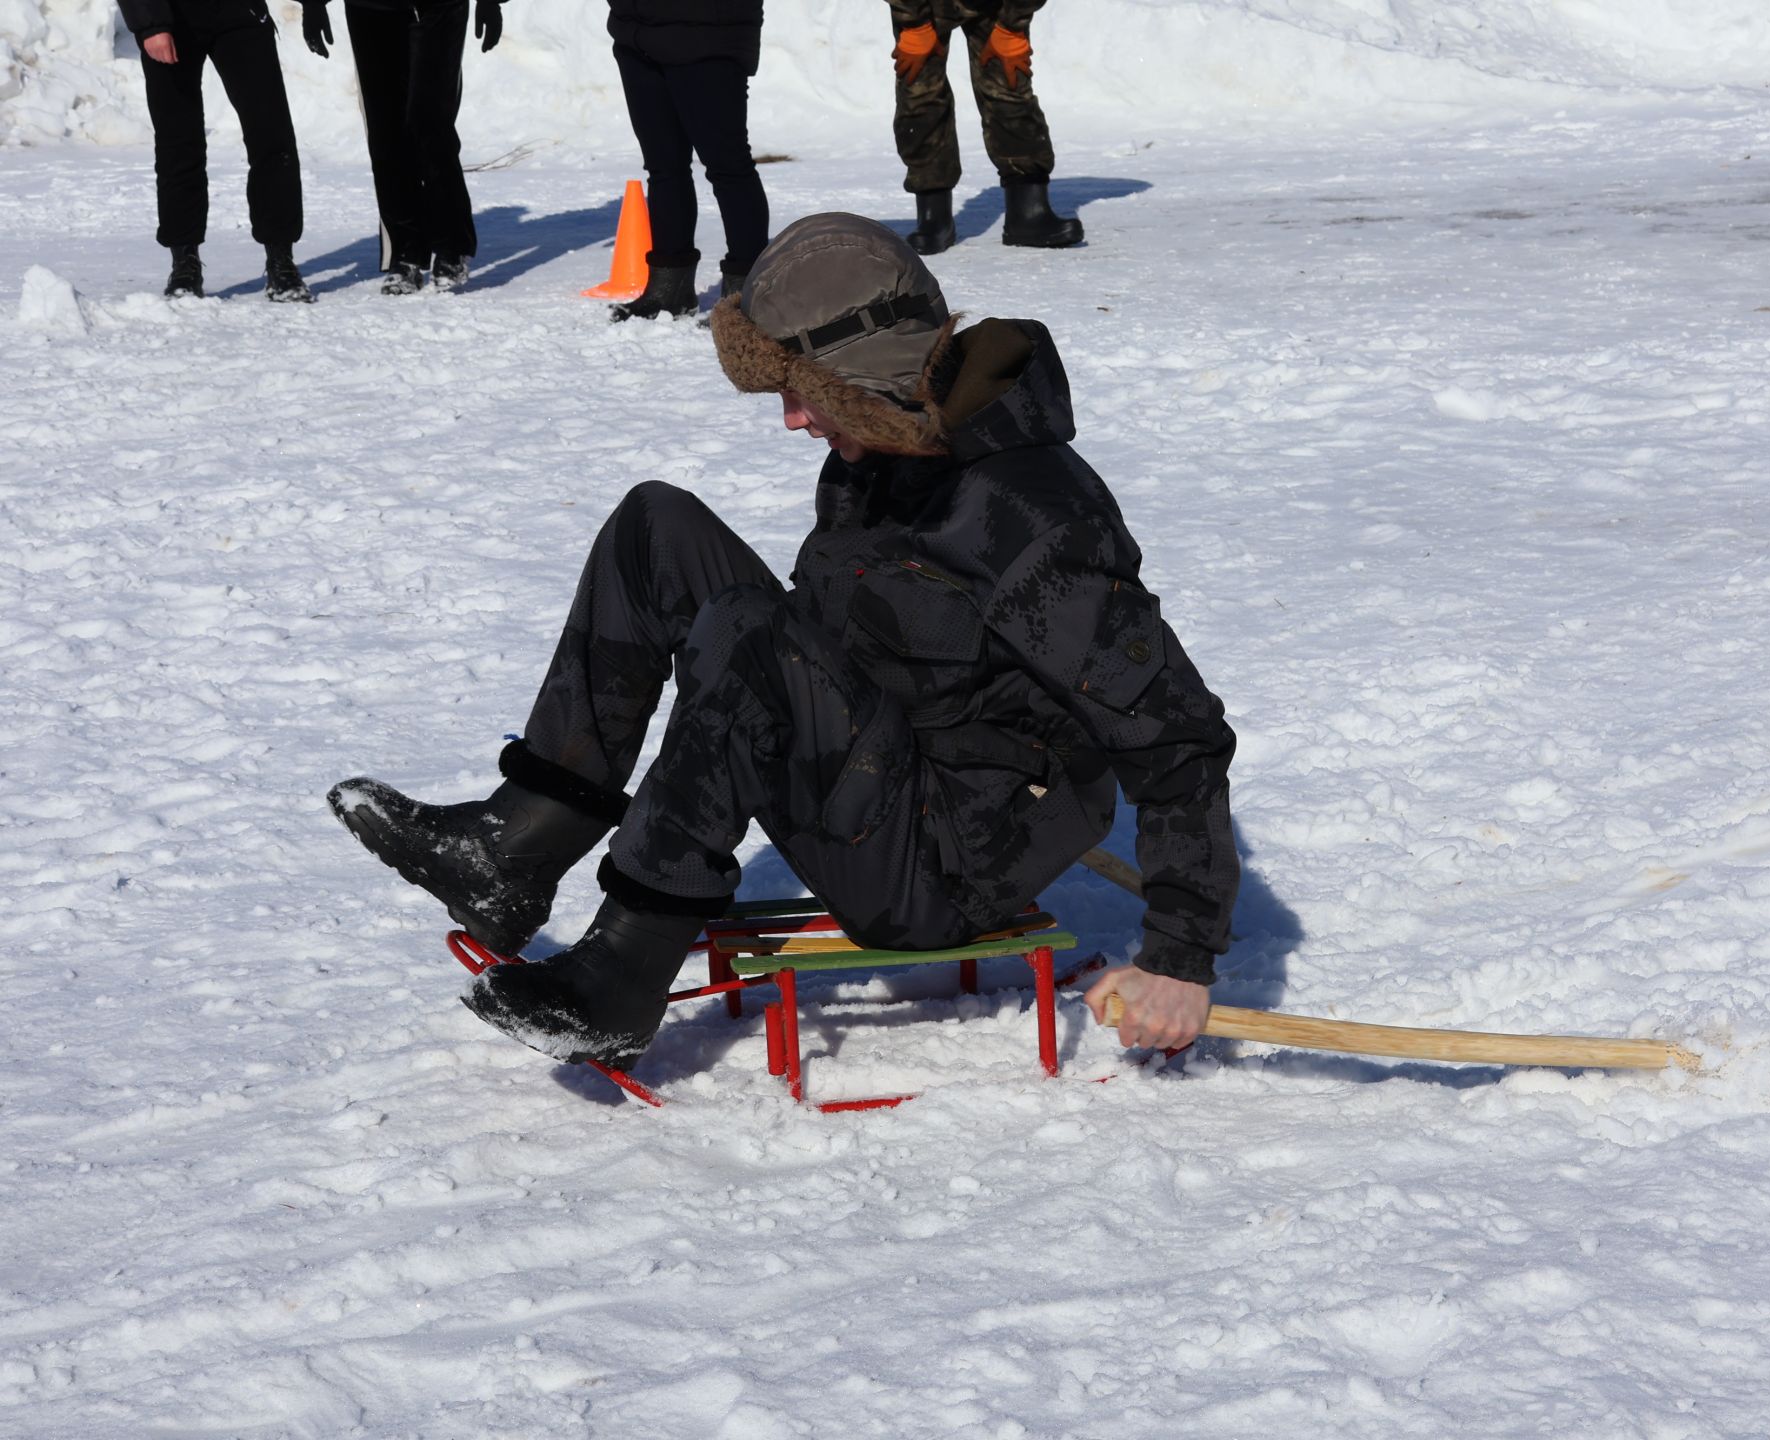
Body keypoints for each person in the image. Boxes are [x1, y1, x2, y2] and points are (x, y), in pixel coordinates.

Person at [327, 212, 1237, 1071]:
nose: (793, 420)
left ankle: (624, 972)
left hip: (944, 862)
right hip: (885, 766)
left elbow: (1177, 735)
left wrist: (1180, 958)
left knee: (749, 631)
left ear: (868, 371)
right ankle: (514, 850)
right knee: (659, 527)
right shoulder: (886, 453)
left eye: (803, 392)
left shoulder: (1031, 522)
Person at [300, 0, 504, 293]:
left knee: (429, 119)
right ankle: (406, 250)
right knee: (386, 130)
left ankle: (451, 246)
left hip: (440, 9)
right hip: (370, 8)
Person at [115, 0, 314, 301]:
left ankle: (280, 259)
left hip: (240, 11)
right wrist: (150, 23)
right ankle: (184, 262)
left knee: (271, 134)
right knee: (178, 141)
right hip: (169, 15)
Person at [602, 0, 771, 322]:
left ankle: (747, 294)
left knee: (728, 167)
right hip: (636, 33)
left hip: (708, 33)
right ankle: (670, 288)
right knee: (663, 166)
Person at [888, 0, 1082, 253]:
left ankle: (1028, 210)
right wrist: (914, 24)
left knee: (1009, 86)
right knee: (919, 93)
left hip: (998, 6)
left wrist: (1012, 27)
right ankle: (933, 216)